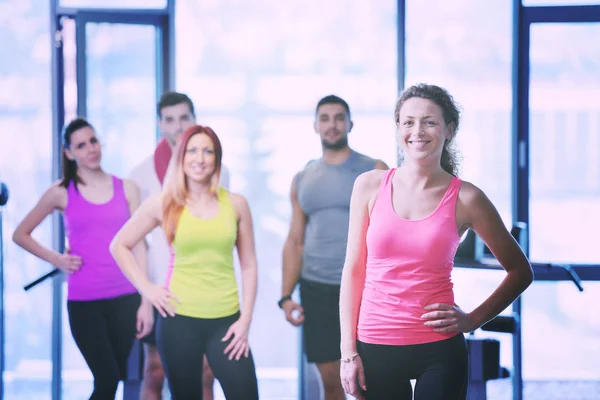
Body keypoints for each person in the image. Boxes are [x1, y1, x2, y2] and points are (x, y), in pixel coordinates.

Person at [339, 83, 534, 400]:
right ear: (399, 128)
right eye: (408, 122)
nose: (418, 130)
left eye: (429, 121)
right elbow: (353, 271)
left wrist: (472, 319)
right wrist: (348, 352)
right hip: (375, 344)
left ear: (450, 130)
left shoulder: (467, 198)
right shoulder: (369, 186)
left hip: (439, 348)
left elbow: (520, 271)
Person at [110, 125, 259, 400]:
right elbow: (119, 245)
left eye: (207, 151)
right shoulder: (164, 203)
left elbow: (249, 264)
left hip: (226, 322)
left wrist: (246, 319)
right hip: (178, 320)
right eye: (192, 150)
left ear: (217, 158)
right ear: (181, 157)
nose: (199, 158)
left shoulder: (237, 204)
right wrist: (148, 289)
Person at [12, 118, 153, 399]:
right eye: (81, 145)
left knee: (119, 379)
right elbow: (21, 233)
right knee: (107, 378)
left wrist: (146, 302)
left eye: (93, 141)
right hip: (85, 303)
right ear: (69, 153)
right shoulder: (61, 192)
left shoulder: (128, 188)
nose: (90, 149)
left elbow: (140, 246)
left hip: (126, 301)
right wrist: (57, 259)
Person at [279, 95, 388, 400]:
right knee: (332, 380)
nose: (332, 124)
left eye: (339, 117)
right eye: (324, 118)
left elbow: (392, 231)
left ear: (350, 123)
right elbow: (295, 240)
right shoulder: (302, 178)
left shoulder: (375, 170)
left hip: (366, 289)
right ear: (315, 126)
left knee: (369, 381)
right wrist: (286, 296)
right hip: (317, 291)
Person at [128, 92, 230, 400]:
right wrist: (146, 296)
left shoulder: (219, 172)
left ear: (195, 119)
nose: (177, 126)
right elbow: (136, 244)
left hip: (204, 288)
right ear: (160, 124)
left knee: (205, 374)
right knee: (154, 371)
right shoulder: (141, 175)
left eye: (184, 117)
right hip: (161, 287)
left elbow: (223, 233)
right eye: (170, 119)